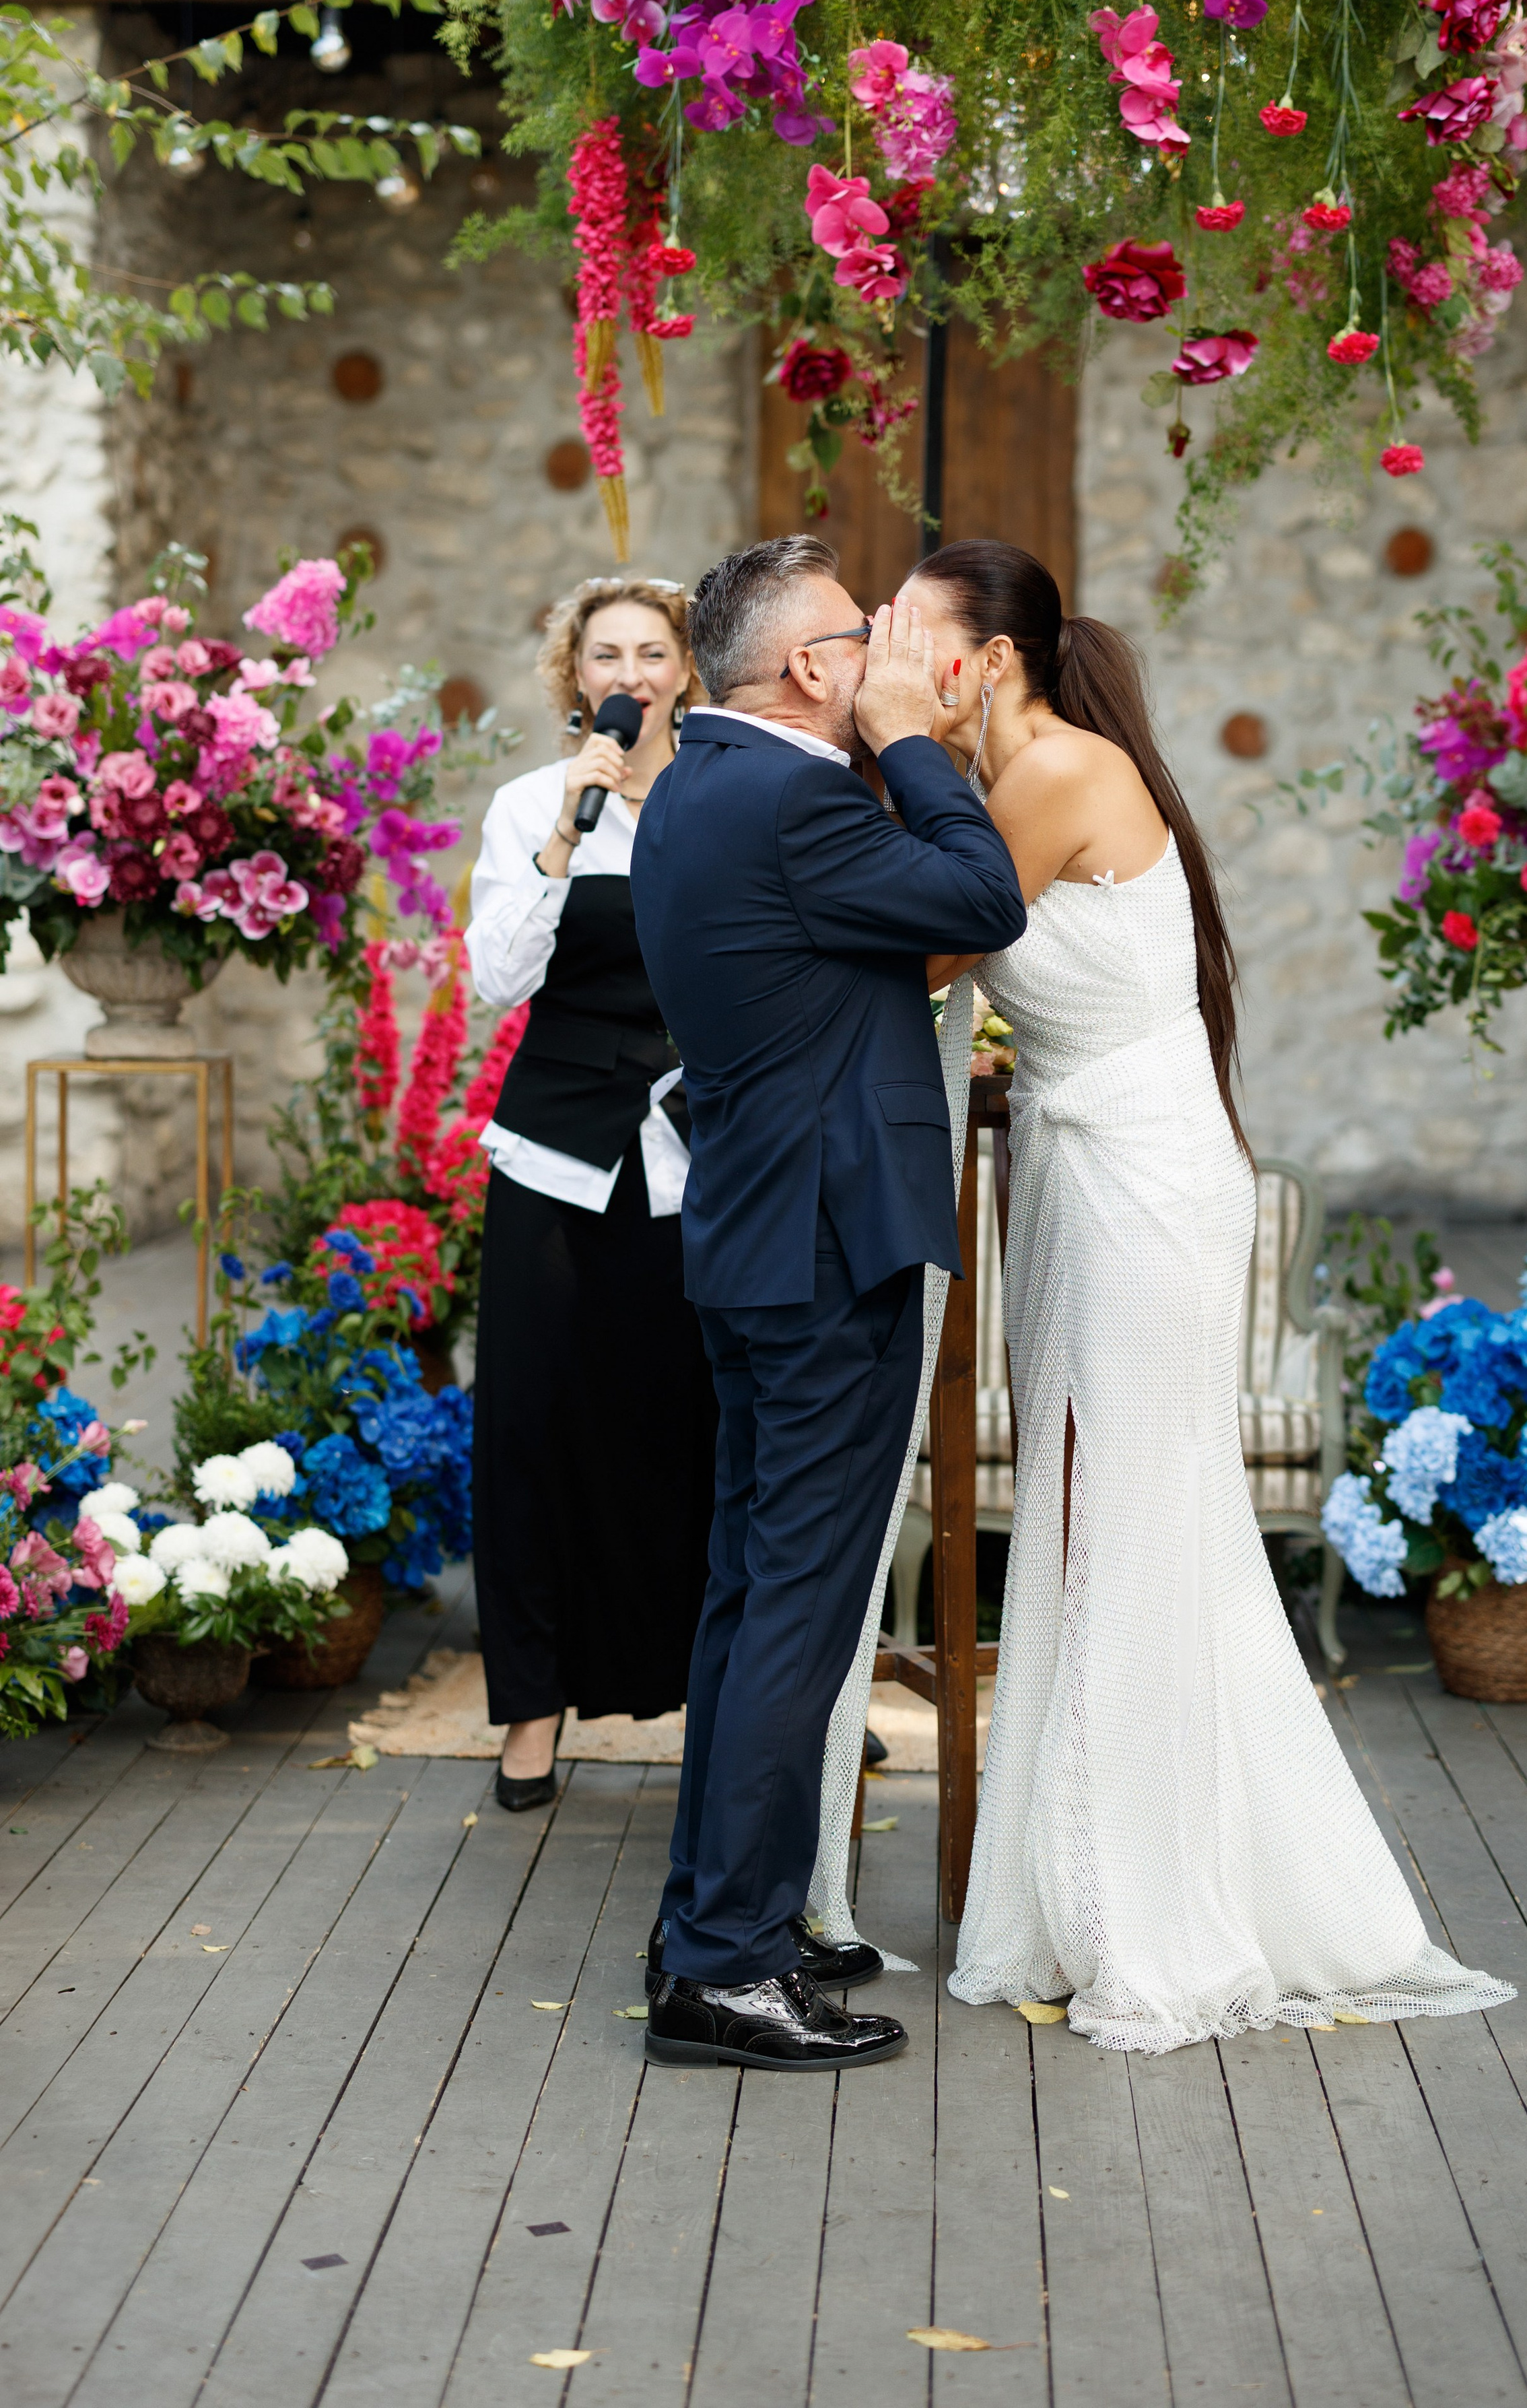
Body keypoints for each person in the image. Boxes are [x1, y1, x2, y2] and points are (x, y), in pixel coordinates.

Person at [901, 539, 1516, 2054]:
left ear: (986, 659)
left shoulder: (1046, 772)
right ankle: (1074, 1874)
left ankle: (1152, 1905)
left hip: (1139, 1180)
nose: (882, 646)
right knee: (1083, 1510)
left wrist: (892, 754)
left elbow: (924, 934)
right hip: (1079, 1157)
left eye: (909, 627)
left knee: (1135, 1516)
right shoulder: (1024, 769)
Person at [628, 535, 1027, 2073]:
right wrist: (915, 742)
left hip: (754, 1242)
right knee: (792, 1612)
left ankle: (705, 1932)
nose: (886, 655)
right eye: (863, 636)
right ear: (808, 670)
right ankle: (725, 1968)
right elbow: (978, 892)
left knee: (748, 1604)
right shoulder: (795, 793)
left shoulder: (688, 791)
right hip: (821, 1255)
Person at [465, 576, 718, 1813]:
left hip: (702, 1159)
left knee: (704, 1427)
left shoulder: (724, 798)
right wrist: (567, 831)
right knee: (531, 1428)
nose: (629, 673)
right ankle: (529, 1713)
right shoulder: (530, 803)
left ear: (687, 670)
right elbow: (496, 984)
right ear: (575, 677)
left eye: (653, 652)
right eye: (605, 654)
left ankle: (743, 1702)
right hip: (556, 1159)